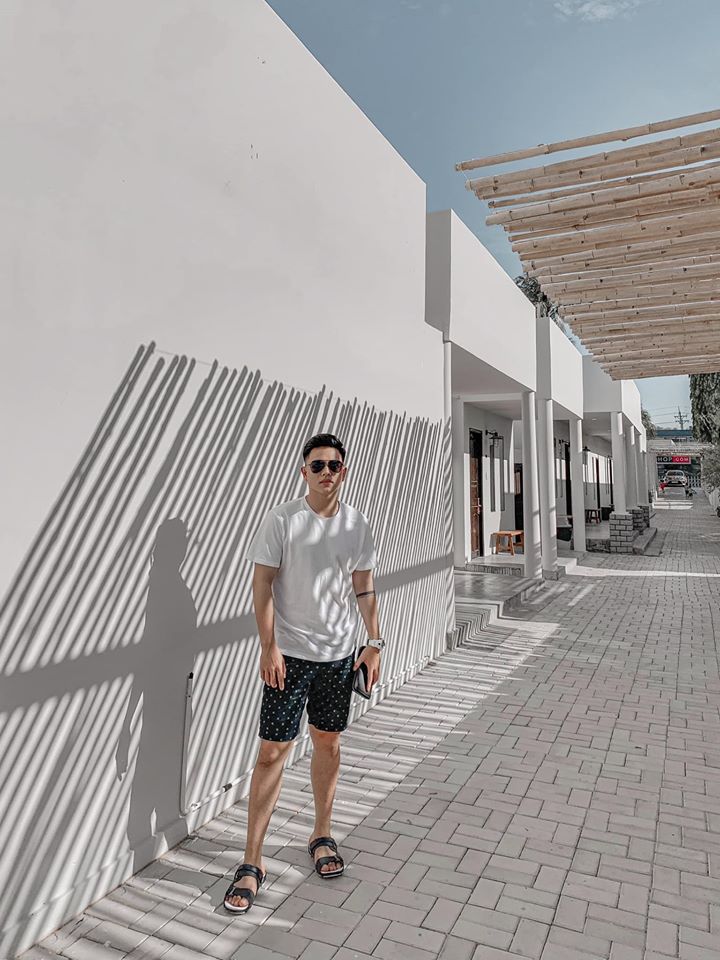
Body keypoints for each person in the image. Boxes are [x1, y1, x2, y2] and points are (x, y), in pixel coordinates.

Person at [223, 432, 383, 914]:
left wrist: (373, 642)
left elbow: (363, 587)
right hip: (289, 657)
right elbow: (262, 584)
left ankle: (322, 835)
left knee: (328, 744)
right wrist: (268, 647)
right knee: (272, 752)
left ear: (344, 471)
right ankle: (252, 862)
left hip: (337, 658)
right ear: (304, 471)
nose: (326, 472)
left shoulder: (356, 525)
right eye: (318, 465)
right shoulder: (283, 520)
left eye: (334, 465)